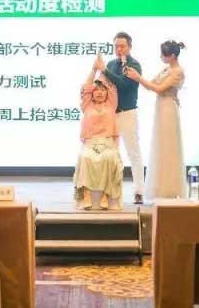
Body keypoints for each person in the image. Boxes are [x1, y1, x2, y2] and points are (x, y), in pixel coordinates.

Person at [124, 40, 186, 199]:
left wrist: (139, 78)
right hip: (161, 108)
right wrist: (135, 77)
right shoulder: (167, 69)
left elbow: (159, 89)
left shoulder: (178, 72)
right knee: (160, 146)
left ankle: (171, 189)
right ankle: (159, 188)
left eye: (163, 54)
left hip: (169, 109)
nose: (161, 57)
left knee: (169, 147)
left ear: (172, 55)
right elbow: (150, 85)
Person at [97, 32, 145, 204]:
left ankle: (139, 191)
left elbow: (124, 84)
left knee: (133, 153)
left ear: (129, 47)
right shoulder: (111, 64)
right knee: (110, 154)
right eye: (116, 46)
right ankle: (111, 190)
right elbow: (102, 85)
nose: (119, 49)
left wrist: (104, 70)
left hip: (127, 113)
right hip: (111, 114)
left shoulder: (134, 65)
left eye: (122, 46)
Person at [74, 56, 123, 210]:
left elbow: (112, 88)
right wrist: (94, 69)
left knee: (109, 159)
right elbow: (86, 88)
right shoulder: (87, 105)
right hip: (90, 143)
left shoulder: (111, 104)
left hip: (107, 143)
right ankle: (87, 195)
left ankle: (106, 196)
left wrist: (103, 69)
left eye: (103, 90)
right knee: (86, 158)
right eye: (96, 90)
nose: (100, 92)